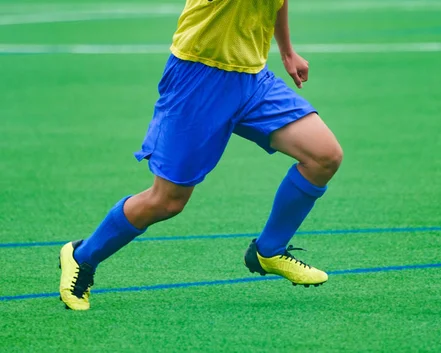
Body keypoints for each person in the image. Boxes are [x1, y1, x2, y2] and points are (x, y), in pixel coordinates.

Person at [58, 0, 343, 310]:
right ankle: (82, 257)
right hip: (197, 78)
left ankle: (269, 250)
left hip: (252, 79)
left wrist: (287, 52)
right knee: (167, 201)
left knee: (324, 156)